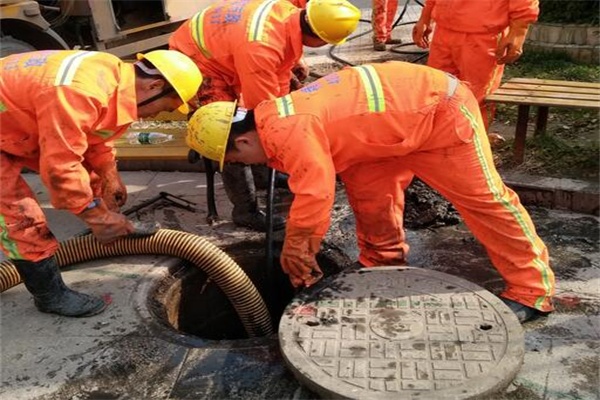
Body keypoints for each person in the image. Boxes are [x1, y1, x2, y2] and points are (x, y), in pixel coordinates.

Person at [186, 61, 555, 323]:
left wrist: (297, 251)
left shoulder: (287, 130)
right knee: (371, 198)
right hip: (381, 134)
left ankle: (531, 291)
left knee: (485, 201)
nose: (247, 165)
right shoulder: (270, 117)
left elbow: (315, 194)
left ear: (244, 140)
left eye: (238, 159)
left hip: (439, 112)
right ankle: (382, 260)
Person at [0, 49, 202, 317]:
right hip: (10, 128)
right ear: (154, 86)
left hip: (13, 124)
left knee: (87, 174)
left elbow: (95, 133)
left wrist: (109, 174)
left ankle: (114, 225)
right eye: (165, 108)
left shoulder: (113, 75)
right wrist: (96, 217)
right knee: (20, 216)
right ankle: (49, 296)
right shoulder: (79, 92)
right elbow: (60, 169)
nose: (157, 116)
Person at [169, 0, 361, 232]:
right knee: (228, 134)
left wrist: (289, 89)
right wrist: (286, 137)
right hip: (197, 61)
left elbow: (277, 79)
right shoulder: (261, 48)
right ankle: (245, 210)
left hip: (223, 50)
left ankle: (262, 176)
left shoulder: (288, 15)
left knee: (262, 126)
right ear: (320, 39)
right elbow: (262, 112)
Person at [412, 0, 538, 130]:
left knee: (476, 97)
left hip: (483, 36)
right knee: (436, 93)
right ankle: (441, 137)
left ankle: (474, 138)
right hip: (444, 32)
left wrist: (518, 31)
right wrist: (425, 18)